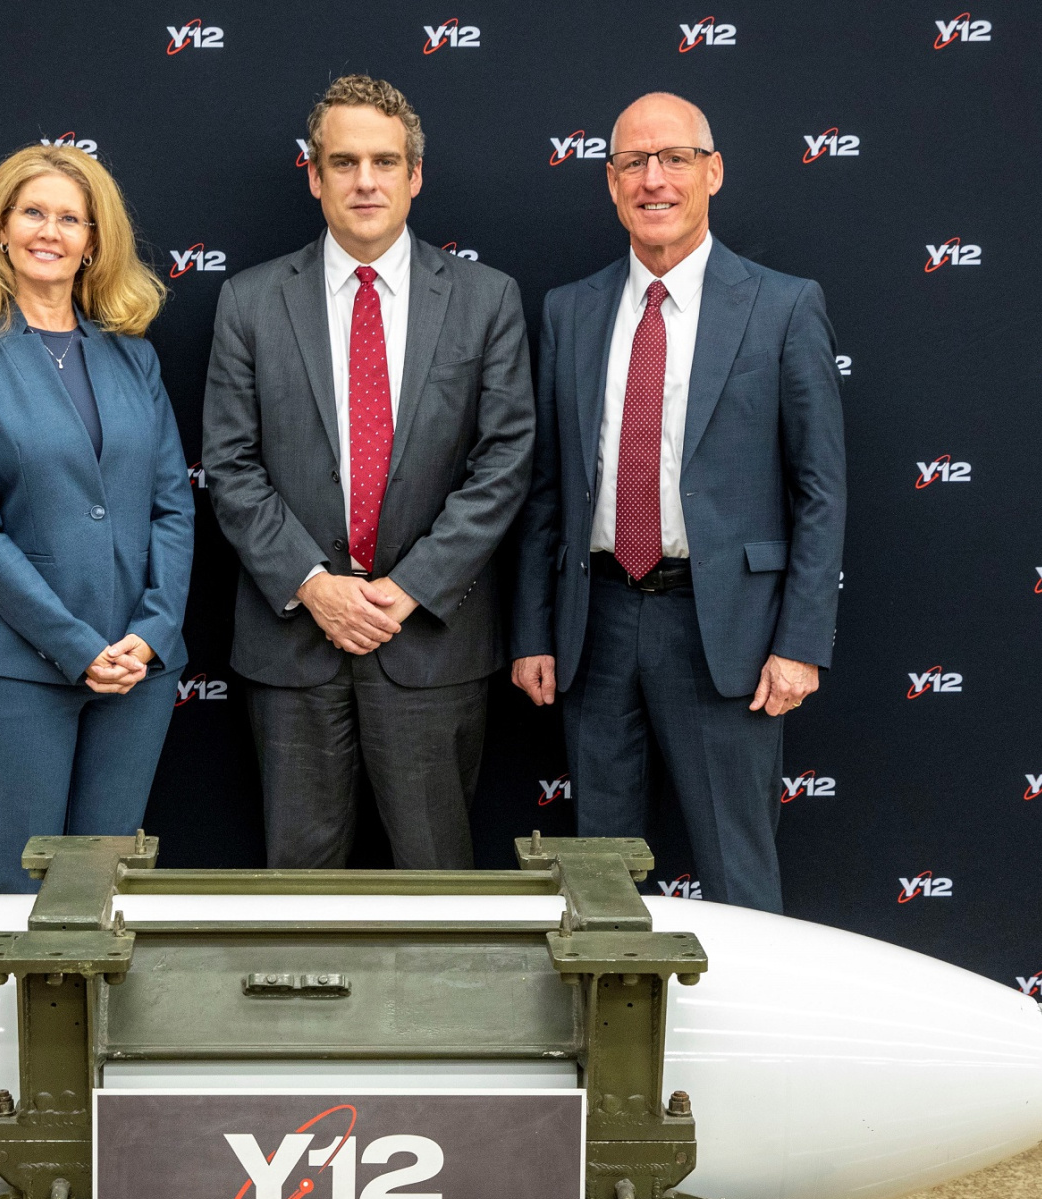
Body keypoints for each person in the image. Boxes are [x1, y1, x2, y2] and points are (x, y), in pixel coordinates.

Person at [511, 92, 845, 913]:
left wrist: (800, 642)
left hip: (724, 632)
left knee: (739, 871)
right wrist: (532, 630)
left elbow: (820, 488)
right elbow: (546, 488)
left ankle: (754, 1038)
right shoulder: (570, 310)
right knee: (598, 880)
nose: (653, 179)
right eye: (632, 162)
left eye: (674, 159)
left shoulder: (782, 305)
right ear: (611, 182)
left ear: (713, 171)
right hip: (595, 628)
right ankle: (610, 1035)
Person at [203, 75, 535, 869]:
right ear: (314, 176)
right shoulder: (249, 303)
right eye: (343, 162)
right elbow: (230, 463)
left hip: (429, 644)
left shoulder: (487, 300)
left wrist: (411, 585)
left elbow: (505, 459)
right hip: (294, 644)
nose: (365, 182)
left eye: (385, 162)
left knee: (437, 886)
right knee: (298, 895)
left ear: (415, 176)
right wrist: (314, 585)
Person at [0, 145, 193, 893]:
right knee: (22, 893)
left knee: (105, 890)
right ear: (1, 230)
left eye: (71, 218)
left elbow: (173, 505)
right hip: (20, 669)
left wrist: (154, 631)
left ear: (93, 240)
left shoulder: (133, 357)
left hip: (139, 670)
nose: (51, 231)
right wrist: (76, 646)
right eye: (33, 213)